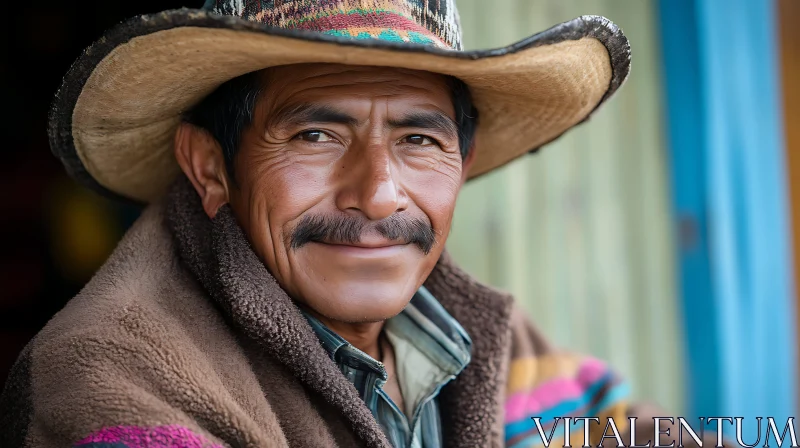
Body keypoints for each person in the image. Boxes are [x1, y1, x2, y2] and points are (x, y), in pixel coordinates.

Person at [0, 1, 664, 447]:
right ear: (210, 168)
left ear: (462, 164)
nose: (378, 196)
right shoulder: (113, 374)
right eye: (316, 134)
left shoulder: (476, 333)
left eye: (419, 140)